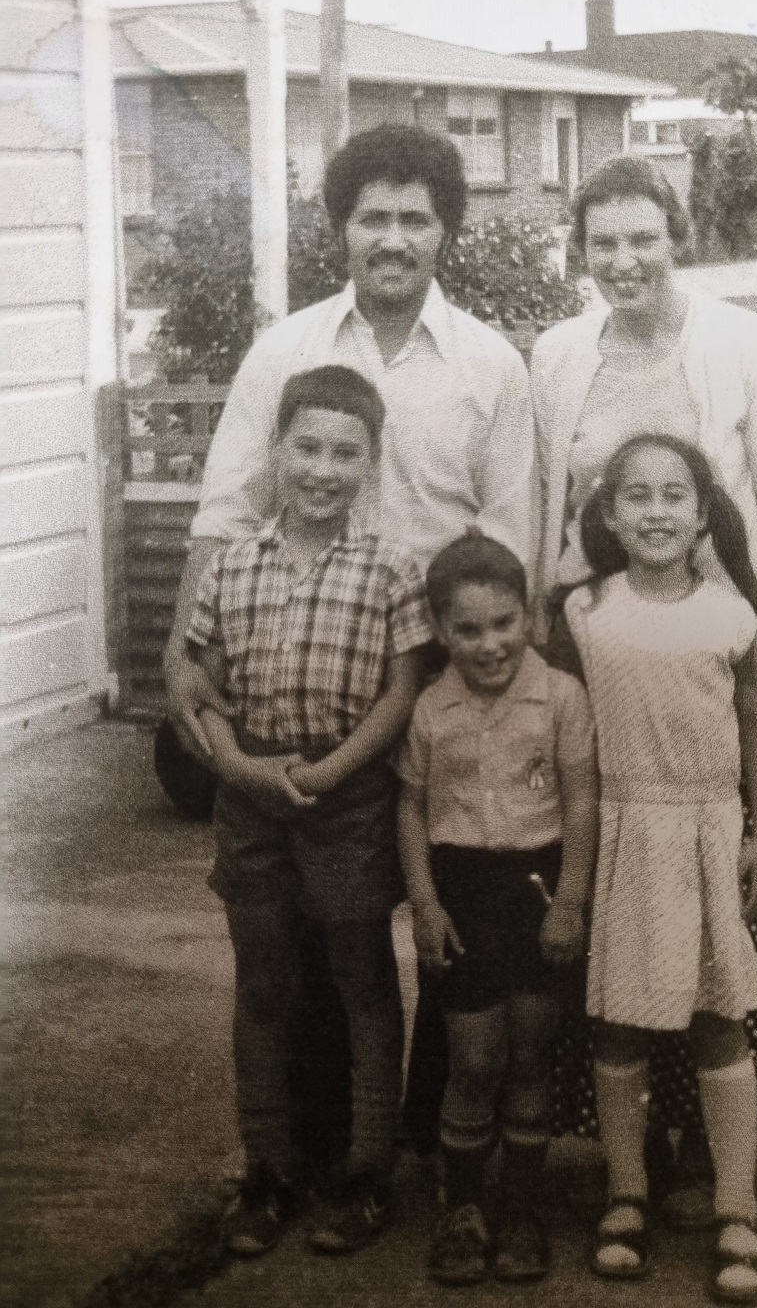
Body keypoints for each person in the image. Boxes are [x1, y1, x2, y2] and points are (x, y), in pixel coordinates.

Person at [162, 125, 536, 1170]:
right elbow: (228, 504)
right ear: (342, 227)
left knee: (445, 915)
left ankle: (426, 1153)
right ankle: (306, 1152)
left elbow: (511, 530)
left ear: (446, 232)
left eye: (416, 218)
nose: (394, 237)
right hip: (310, 675)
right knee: (300, 936)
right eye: (374, 216)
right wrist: (182, 656)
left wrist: (496, 672)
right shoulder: (284, 351)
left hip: (450, 670)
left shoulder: (488, 365)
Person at [532, 158, 757, 1194]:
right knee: (620, 876)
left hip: (721, 648)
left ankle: (717, 1133)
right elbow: (549, 511)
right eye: (603, 242)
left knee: (722, 887)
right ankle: (636, 1146)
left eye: (643, 238)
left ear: (679, 237)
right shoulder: (559, 352)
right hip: (601, 649)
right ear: (582, 252)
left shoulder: (745, 343)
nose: (623, 260)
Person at [184, 365, 434, 1255]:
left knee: (363, 983)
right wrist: (237, 766)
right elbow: (201, 684)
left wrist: (329, 774)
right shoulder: (233, 566)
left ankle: (367, 1171)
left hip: (349, 804)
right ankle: (268, 1171)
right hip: (251, 804)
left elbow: (402, 693)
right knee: (263, 986)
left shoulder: (392, 570)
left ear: (371, 462)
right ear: (278, 451)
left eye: (346, 452)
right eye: (307, 448)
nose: (323, 470)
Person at [566, 434, 757, 1299]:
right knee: (620, 1022)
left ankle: (738, 1204)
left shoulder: (732, 616)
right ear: (609, 514)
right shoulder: (584, 612)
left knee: (716, 1017)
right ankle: (627, 1193)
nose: (657, 513)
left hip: (706, 831)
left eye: (674, 496)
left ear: (701, 512)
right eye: (638, 497)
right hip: (624, 832)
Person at [396, 533, 598, 1286]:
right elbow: (411, 810)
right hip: (460, 894)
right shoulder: (429, 709)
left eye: (504, 623)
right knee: (474, 1057)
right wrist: (423, 901)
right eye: (468, 630)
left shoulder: (561, 698)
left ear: (528, 620)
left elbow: (582, 802)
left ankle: (522, 1205)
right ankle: (464, 1205)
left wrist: (571, 899)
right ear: (441, 632)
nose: (490, 644)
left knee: (529, 1053)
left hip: (539, 890)